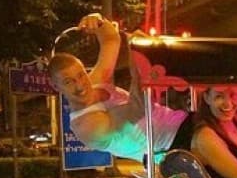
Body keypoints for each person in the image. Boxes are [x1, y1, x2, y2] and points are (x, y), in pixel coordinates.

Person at [48, 13, 192, 163]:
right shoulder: (87, 125)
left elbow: (110, 40)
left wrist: (98, 22)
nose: (80, 85)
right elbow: (139, 107)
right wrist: (137, 55)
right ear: (55, 86)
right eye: (68, 82)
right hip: (172, 149)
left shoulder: (95, 82)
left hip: (181, 122)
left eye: (81, 75)